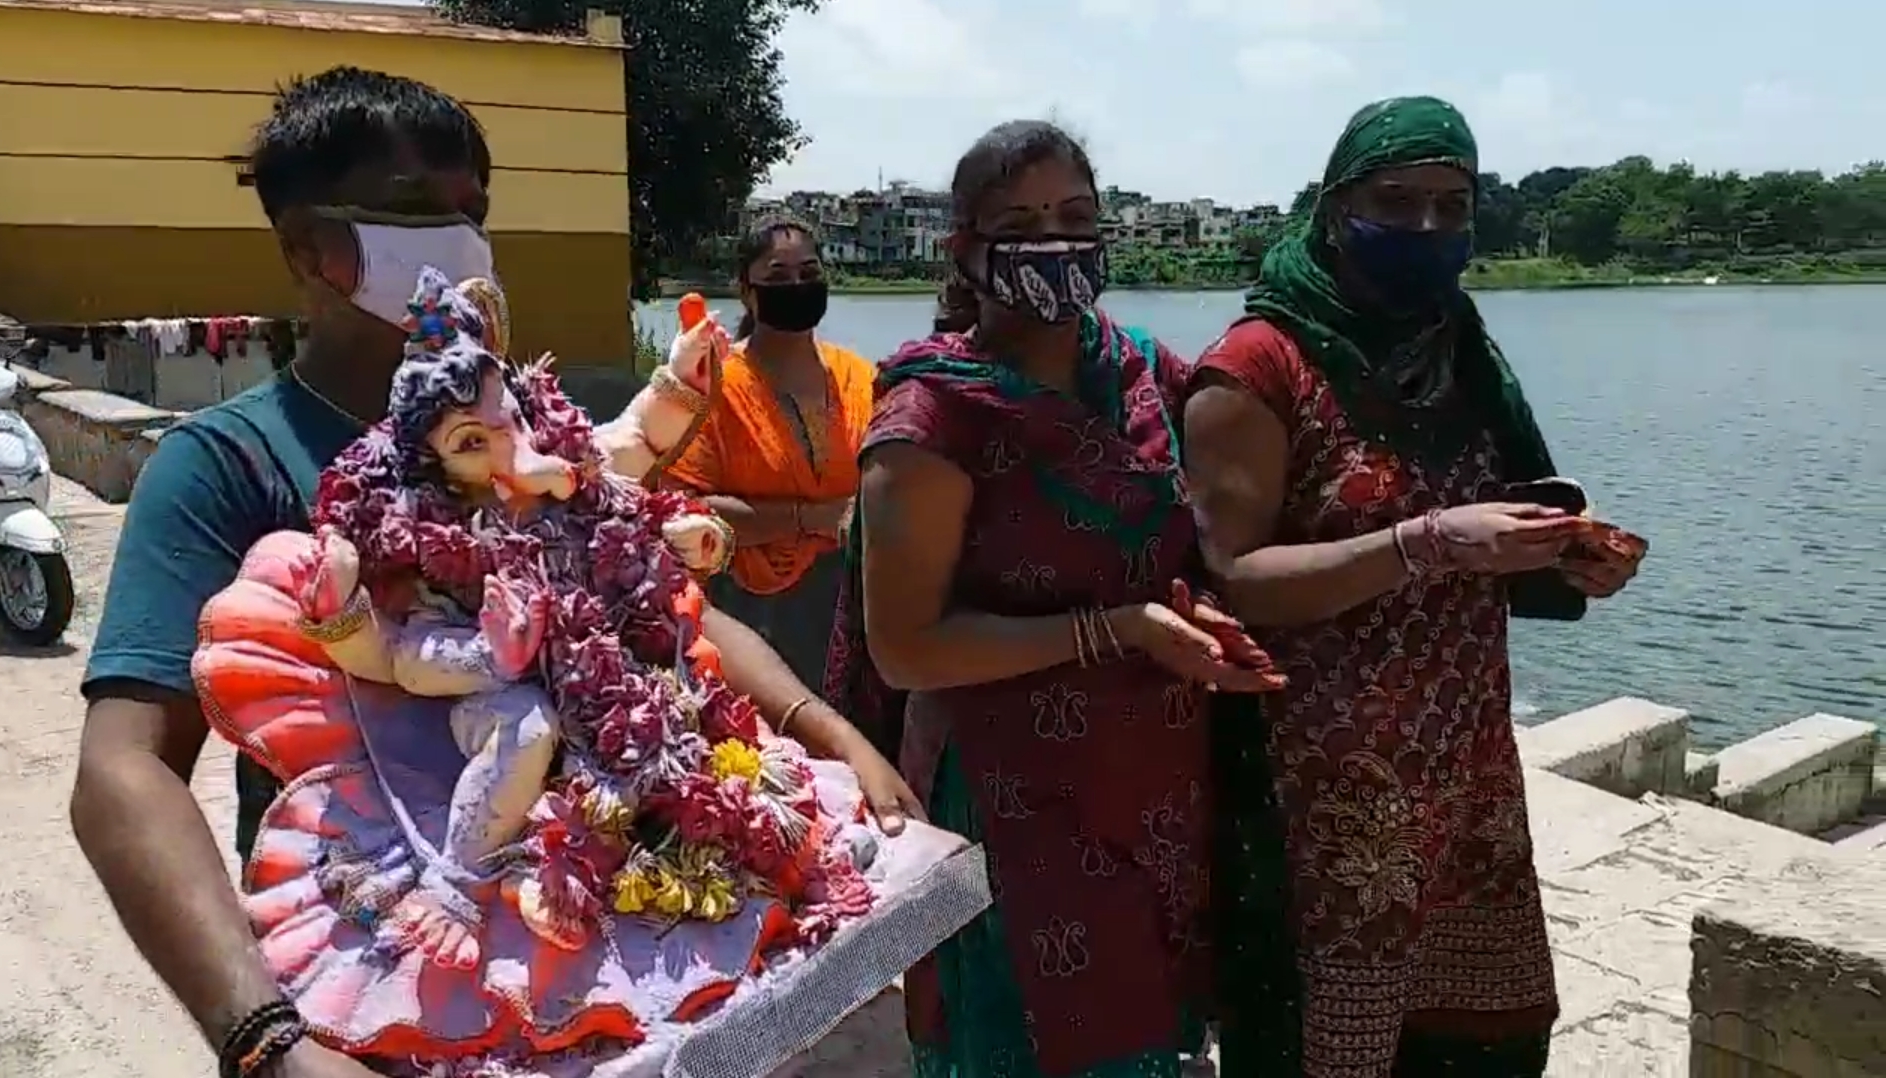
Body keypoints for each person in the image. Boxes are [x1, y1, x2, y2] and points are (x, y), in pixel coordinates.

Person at [68, 66, 918, 1078]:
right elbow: (122, 772)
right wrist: (266, 1040)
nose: (461, 241)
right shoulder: (226, 464)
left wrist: (818, 728)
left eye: (473, 211)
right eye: (415, 212)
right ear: (306, 248)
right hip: (390, 977)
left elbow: (665, 607)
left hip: (624, 934)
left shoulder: (537, 431)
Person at [1180, 96, 1647, 1078]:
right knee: (1323, 1049)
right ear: (1334, 204)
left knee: (1480, 1037)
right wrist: (1424, 543)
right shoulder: (1258, 367)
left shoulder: (1458, 348)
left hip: (1464, 783)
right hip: (1318, 799)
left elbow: (1507, 502)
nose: (1428, 228)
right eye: (1397, 201)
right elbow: (1230, 577)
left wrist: (1567, 553)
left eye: (1452, 204)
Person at [824, 118, 1288, 1078]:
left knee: (1149, 1037)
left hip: (1153, 782)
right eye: (1022, 222)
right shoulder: (933, 415)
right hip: (1012, 794)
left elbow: (1200, 528)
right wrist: (1115, 630)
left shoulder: (1141, 372)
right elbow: (907, 648)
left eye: (1076, 216)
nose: (1056, 242)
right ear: (966, 248)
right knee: (1030, 1041)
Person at [663, 218, 874, 690]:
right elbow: (680, 509)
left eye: (809, 271)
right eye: (778, 276)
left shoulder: (859, 377)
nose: (797, 286)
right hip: (751, 611)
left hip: (853, 606)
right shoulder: (712, 385)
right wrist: (812, 517)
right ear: (747, 291)